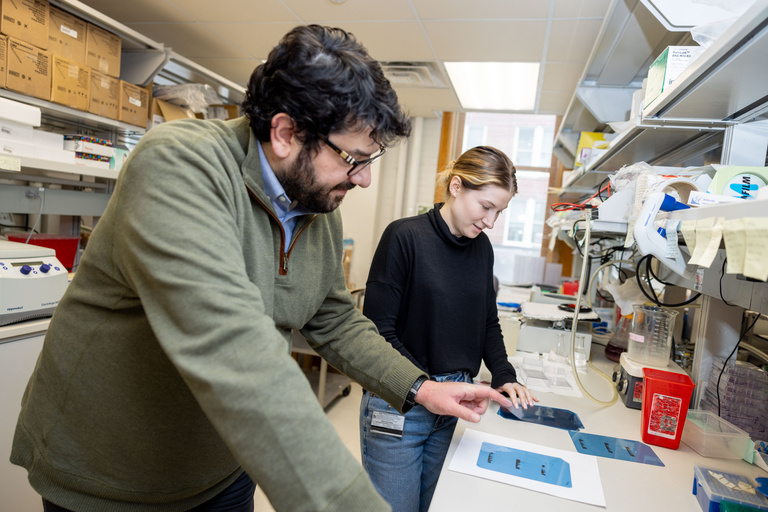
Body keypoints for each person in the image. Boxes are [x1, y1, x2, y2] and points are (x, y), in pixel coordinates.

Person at [10, 26, 512, 512]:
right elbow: (230, 345)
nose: (364, 179)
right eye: (353, 158)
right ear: (286, 132)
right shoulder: (180, 166)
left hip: (222, 466)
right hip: (114, 473)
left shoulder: (316, 210)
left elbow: (334, 319)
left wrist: (422, 387)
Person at [359, 146, 538, 512]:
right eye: (486, 206)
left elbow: (487, 320)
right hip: (400, 401)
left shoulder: (482, 248)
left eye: (499, 212)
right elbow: (378, 331)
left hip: (451, 402)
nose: (491, 221)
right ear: (456, 186)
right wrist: (429, 388)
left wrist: (504, 373)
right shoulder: (404, 237)